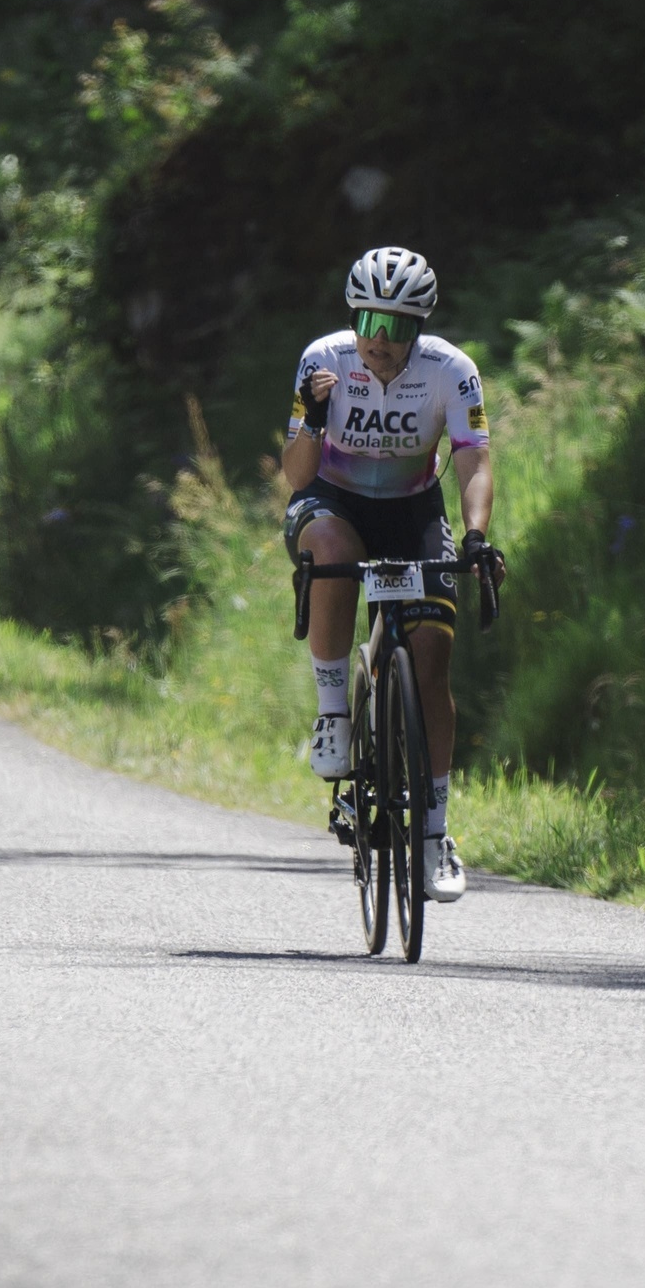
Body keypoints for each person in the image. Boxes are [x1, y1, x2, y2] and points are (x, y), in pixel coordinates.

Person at [281, 243, 497, 905]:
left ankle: (434, 837)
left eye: (397, 327)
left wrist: (480, 534)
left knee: (431, 663)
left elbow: (474, 461)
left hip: (412, 511)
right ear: (355, 320)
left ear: (419, 328)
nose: (380, 342)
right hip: (335, 501)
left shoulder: (452, 372)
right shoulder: (324, 362)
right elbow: (293, 478)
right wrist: (314, 421)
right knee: (330, 550)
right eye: (370, 324)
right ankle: (333, 715)